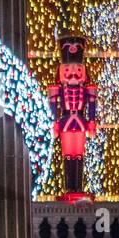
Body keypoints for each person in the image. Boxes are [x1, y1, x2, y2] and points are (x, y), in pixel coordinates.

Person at [48, 35, 99, 204]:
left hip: (80, 122)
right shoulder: (58, 89)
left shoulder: (87, 89)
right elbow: (53, 105)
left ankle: (78, 187)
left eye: (77, 69)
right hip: (66, 122)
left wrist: (91, 122)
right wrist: (54, 123)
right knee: (68, 155)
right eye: (69, 69)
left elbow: (91, 106)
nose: (73, 73)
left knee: (79, 155)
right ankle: (69, 187)